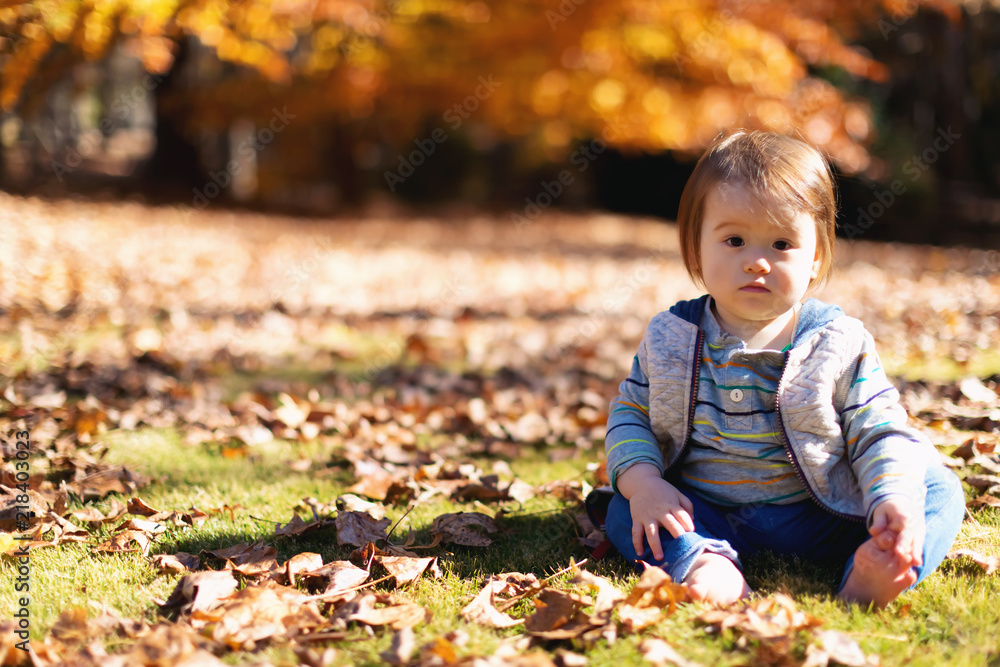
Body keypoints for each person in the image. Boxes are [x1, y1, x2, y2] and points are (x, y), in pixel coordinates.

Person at [600, 129, 965, 608]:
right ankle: (705, 562)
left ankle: (873, 568)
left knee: (937, 489)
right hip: (704, 511)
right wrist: (645, 483)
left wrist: (889, 498)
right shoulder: (671, 336)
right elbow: (631, 415)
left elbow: (877, 428)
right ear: (696, 250)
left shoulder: (837, 341)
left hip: (823, 510)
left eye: (781, 243)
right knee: (624, 510)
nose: (757, 262)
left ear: (814, 259)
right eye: (734, 240)